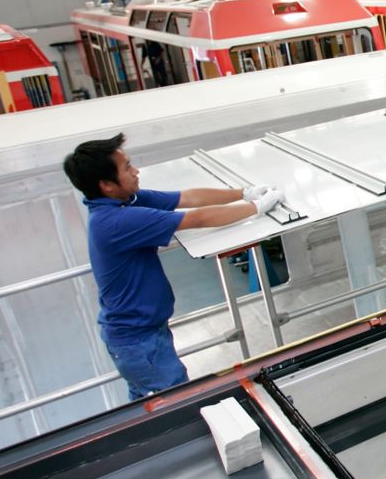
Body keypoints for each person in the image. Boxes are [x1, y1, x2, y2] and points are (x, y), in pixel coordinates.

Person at [64, 133, 282, 400]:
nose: (136, 171)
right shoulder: (116, 222)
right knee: (177, 402)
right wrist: (256, 208)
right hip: (139, 341)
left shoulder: (126, 201)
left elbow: (187, 198)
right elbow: (197, 218)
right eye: (127, 168)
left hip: (142, 334)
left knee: (151, 401)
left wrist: (244, 193)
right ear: (107, 185)